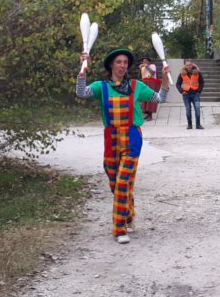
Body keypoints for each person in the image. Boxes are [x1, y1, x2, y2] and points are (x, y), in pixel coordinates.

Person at [76, 47, 170, 244]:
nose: (122, 65)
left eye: (125, 62)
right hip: (111, 138)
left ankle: (119, 229)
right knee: (115, 182)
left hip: (132, 137)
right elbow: (81, 93)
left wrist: (164, 80)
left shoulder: (137, 86)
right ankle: (127, 214)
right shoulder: (101, 87)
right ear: (111, 65)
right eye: (118, 62)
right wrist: (82, 70)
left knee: (121, 182)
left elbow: (160, 98)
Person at [176, 60, 204, 130]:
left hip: (195, 94)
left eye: (190, 65)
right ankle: (189, 125)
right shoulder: (182, 74)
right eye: (187, 65)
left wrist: (199, 91)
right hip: (186, 95)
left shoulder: (197, 73)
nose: (188, 66)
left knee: (197, 108)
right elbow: (178, 84)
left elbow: (201, 82)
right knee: (188, 109)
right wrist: (181, 91)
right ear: (185, 66)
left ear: (192, 65)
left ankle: (198, 125)